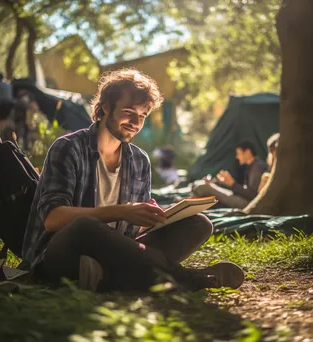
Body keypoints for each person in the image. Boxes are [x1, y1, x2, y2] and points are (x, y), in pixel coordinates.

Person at [22, 68, 244, 292]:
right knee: (85, 226)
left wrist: (153, 216)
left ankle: (107, 279)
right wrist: (123, 210)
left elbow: (131, 233)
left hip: (115, 253)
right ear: (106, 107)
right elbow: (53, 219)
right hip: (62, 255)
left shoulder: (139, 160)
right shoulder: (68, 148)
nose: (136, 122)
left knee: (199, 224)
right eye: (129, 112)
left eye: (142, 116)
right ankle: (187, 280)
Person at [192, 140, 268, 208]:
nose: (237, 157)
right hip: (242, 198)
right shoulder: (252, 166)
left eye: (238, 153)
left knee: (204, 187)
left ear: (247, 152)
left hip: (248, 204)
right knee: (205, 185)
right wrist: (226, 183)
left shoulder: (257, 167)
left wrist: (232, 184)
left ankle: (189, 206)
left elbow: (253, 195)